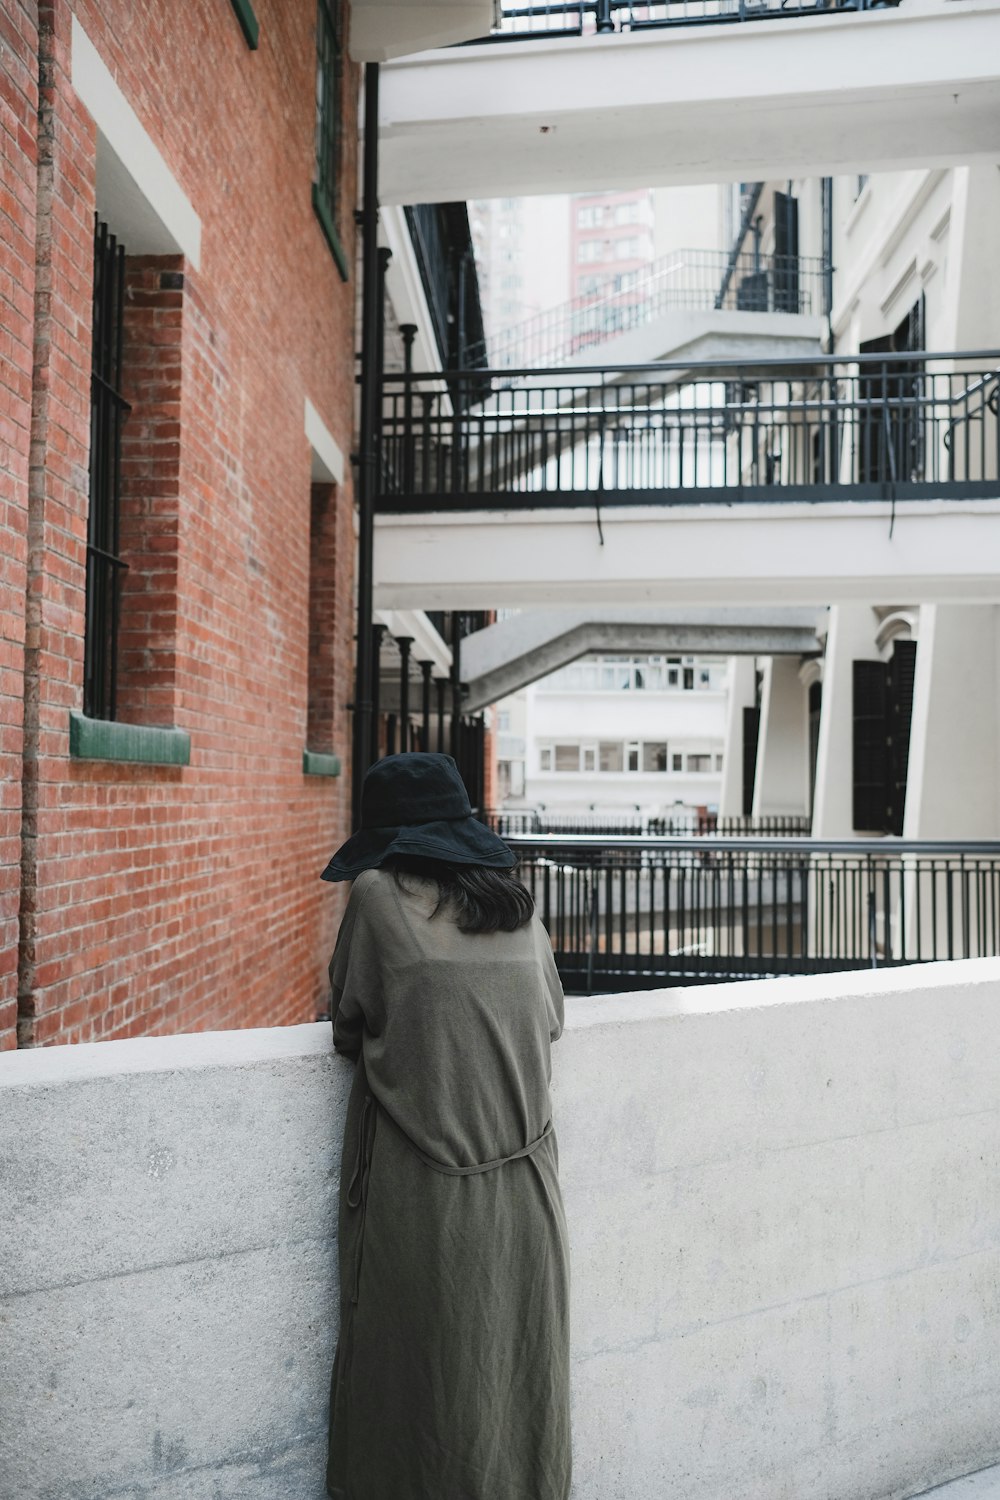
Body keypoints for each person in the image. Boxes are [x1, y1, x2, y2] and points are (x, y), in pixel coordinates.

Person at [320, 752, 572, 1500]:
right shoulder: (517, 904)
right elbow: (552, 1019)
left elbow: (347, 1022)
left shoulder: (375, 898)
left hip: (422, 1190)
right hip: (530, 1188)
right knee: (523, 1385)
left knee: (413, 1393)